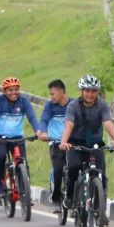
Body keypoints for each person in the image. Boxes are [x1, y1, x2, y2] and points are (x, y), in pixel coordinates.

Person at [59, 75, 114, 211]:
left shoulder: (102, 105)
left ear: (98, 92)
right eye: (87, 90)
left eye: (93, 91)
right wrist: (64, 142)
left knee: (102, 176)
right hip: (75, 144)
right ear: (81, 91)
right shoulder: (73, 106)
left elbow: (108, 123)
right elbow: (69, 125)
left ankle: (99, 210)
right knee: (73, 168)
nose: (90, 94)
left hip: (95, 145)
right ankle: (70, 196)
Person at [0, 77, 41, 196]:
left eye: (16, 89)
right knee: (0, 157)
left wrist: (38, 130)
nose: (13, 93)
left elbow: (31, 116)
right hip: (0, 137)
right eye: (10, 90)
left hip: (18, 138)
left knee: (23, 162)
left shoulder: (24, 101)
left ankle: (25, 191)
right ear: (4, 91)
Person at [38, 79, 70, 213]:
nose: (51, 97)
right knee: (57, 170)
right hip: (55, 142)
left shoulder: (73, 105)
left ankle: (73, 198)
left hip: (71, 143)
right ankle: (56, 198)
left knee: (75, 170)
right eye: (50, 94)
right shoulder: (50, 106)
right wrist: (44, 132)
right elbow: (44, 119)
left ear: (62, 92)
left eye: (53, 94)